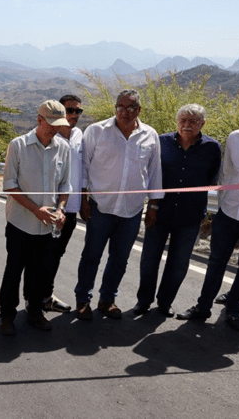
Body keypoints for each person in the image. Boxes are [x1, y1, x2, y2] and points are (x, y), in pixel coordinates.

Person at [176, 89, 239, 331]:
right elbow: (226, 175)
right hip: (228, 214)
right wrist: (219, 209)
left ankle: (234, 311)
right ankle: (202, 308)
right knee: (216, 263)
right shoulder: (235, 138)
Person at [74, 89, 163, 320]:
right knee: (91, 255)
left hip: (131, 210)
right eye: (120, 107)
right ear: (115, 108)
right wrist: (83, 200)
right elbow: (83, 167)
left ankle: (107, 299)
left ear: (139, 110)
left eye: (131, 107)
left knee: (120, 259)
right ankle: (83, 299)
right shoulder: (96, 131)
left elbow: (154, 172)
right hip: (99, 206)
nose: (125, 112)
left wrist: (153, 206)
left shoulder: (150, 135)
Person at [133, 104, 221, 317]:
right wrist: (151, 206)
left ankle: (164, 302)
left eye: (193, 121)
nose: (187, 125)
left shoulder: (212, 148)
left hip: (190, 216)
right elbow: (151, 175)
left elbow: (212, 180)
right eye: (183, 120)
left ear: (203, 123)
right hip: (159, 212)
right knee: (149, 260)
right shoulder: (161, 142)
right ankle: (143, 301)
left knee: (179, 264)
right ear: (177, 121)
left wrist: (205, 213)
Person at [0, 101, 71, 335]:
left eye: (59, 125)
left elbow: (65, 186)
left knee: (40, 270)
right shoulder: (18, 146)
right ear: (39, 120)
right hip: (21, 222)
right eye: (51, 124)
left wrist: (60, 210)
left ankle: (35, 310)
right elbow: (9, 185)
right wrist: (35, 210)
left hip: (47, 226)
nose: (55, 130)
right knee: (14, 269)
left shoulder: (63, 148)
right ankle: (7, 315)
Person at [39, 94, 84, 313]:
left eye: (78, 111)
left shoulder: (81, 137)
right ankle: (37, 298)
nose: (74, 115)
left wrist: (83, 201)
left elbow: (84, 172)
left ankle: (46, 295)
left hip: (70, 210)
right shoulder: (49, 137)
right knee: (42, 255)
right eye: (70, 110)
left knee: (56, 254)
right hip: (47, 210)